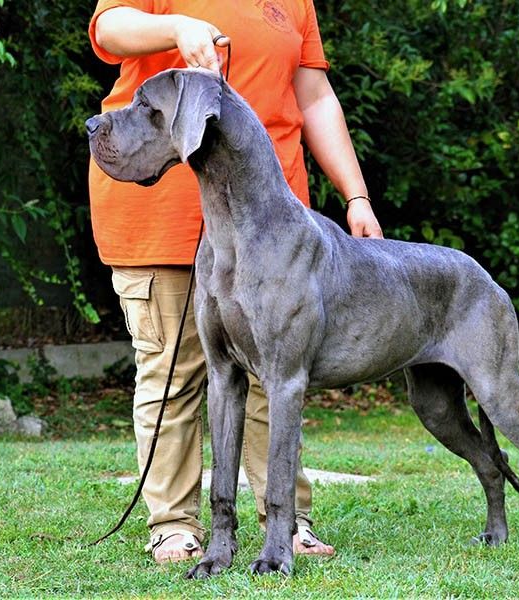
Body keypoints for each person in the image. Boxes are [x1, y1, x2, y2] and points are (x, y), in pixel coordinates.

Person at [88, 0, 383, 563]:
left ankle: (285, 522)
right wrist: (175, 27)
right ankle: (174, 525)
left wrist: (356, 195)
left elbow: (315, 98)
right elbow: (109, 28)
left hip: (274, 229)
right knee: (173, 376)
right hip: (164, 218)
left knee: (277, 382)